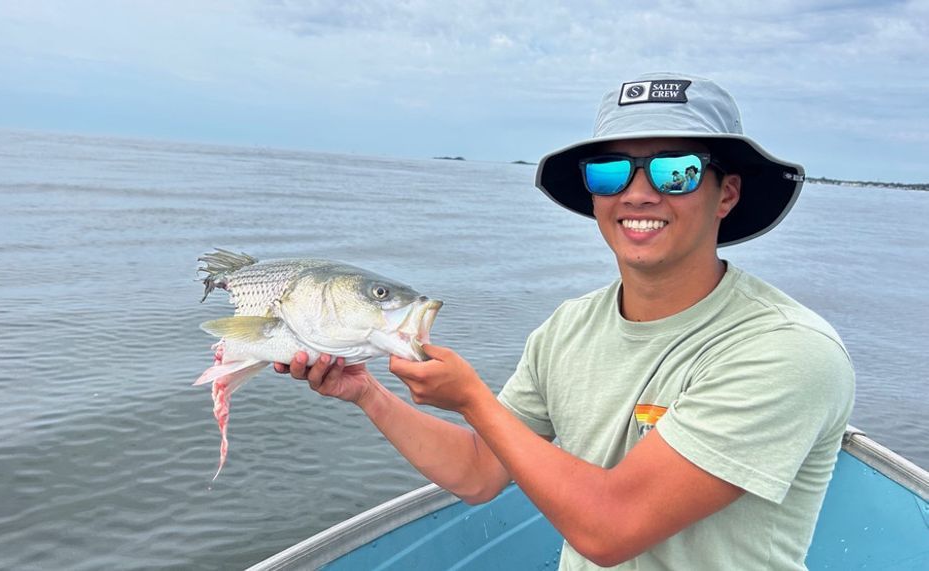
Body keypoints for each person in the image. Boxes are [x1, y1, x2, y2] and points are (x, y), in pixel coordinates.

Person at [275, 72, 855, 570]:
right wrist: (368, 394)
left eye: (674, 171)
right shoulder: (569, 328)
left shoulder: (786, 349)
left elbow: (610, 528)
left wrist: (473, 399)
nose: (639, 193)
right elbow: (479, 473)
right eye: (610, 172)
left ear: (725, 193)